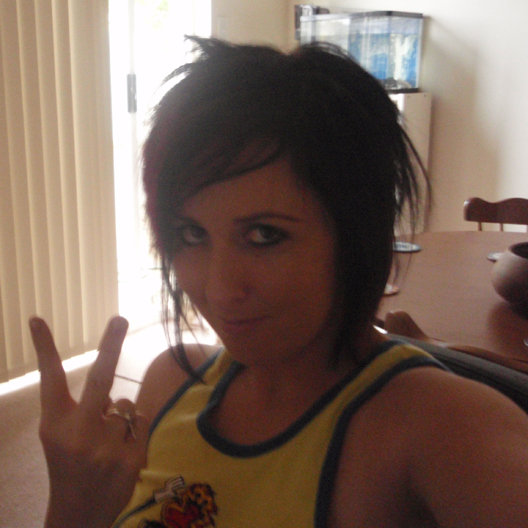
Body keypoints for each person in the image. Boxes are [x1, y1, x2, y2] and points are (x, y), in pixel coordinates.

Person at [29, 37, 528, 528]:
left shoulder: (443, 429)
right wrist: (74, 509)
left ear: (357, 233)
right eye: (191, 234)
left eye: (264, 235)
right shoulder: (172, 380)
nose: (219, 290)